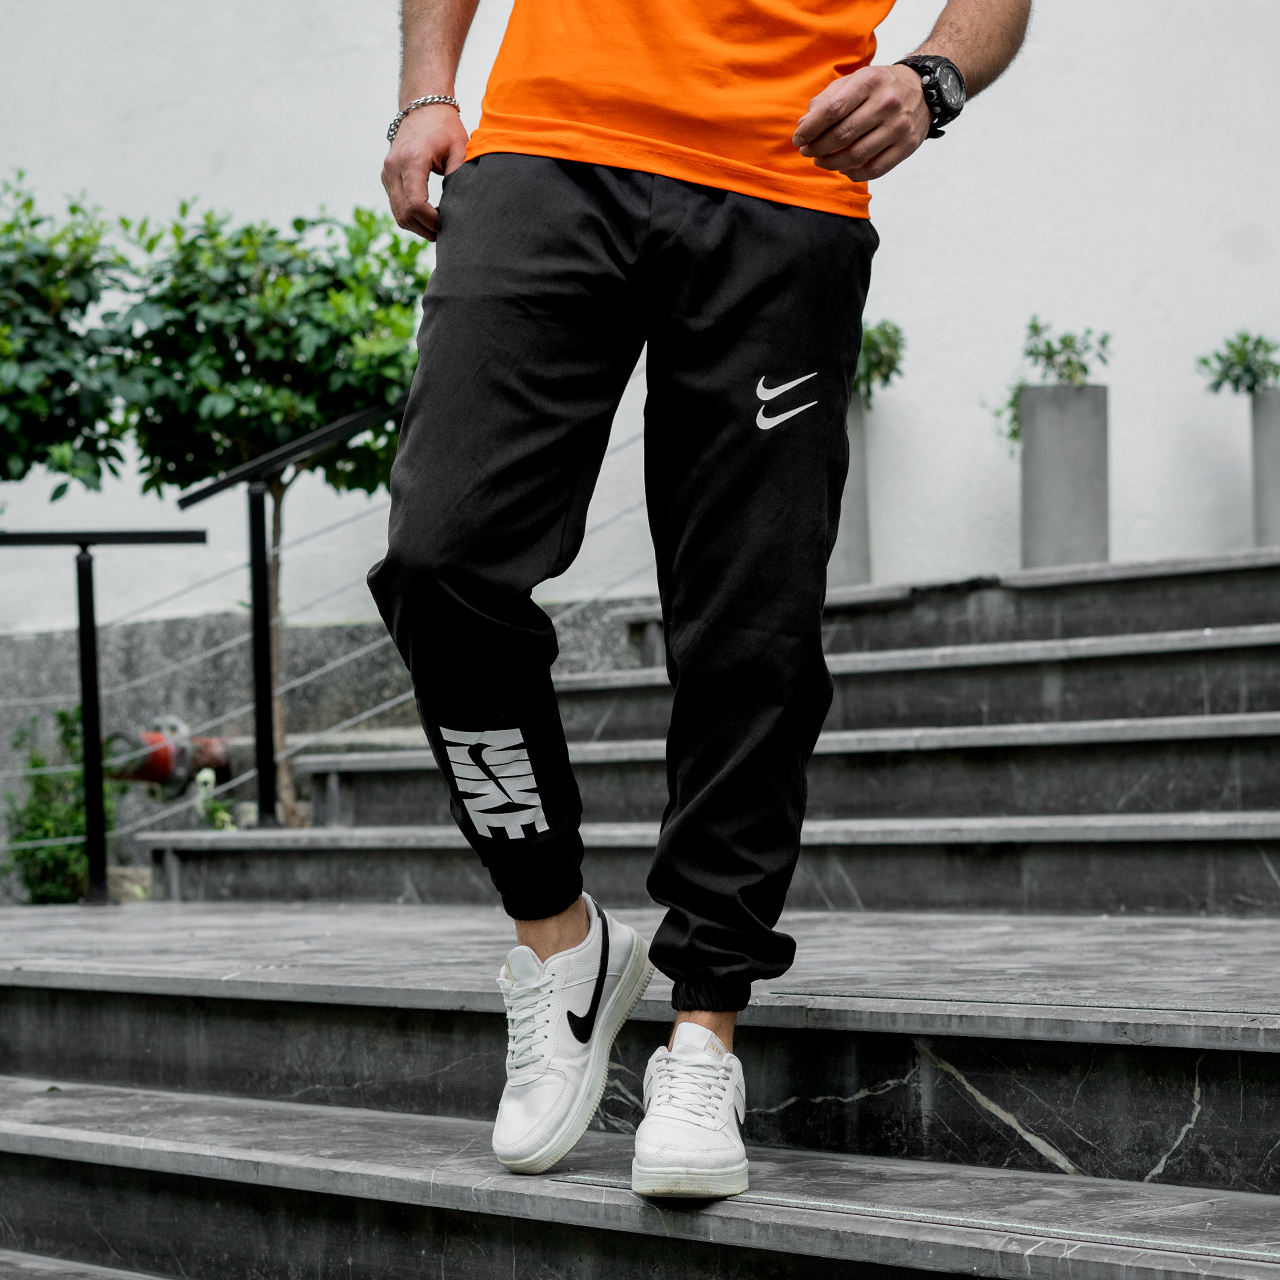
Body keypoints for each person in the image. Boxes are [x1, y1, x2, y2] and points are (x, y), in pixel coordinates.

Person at [370, 0, 1030, 1198]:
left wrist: (932, 80)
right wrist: (428, 89)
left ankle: (703, 1030)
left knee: (748, 622)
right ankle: (558, 939)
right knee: (439, 561)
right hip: (543, 155)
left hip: (782, 180)